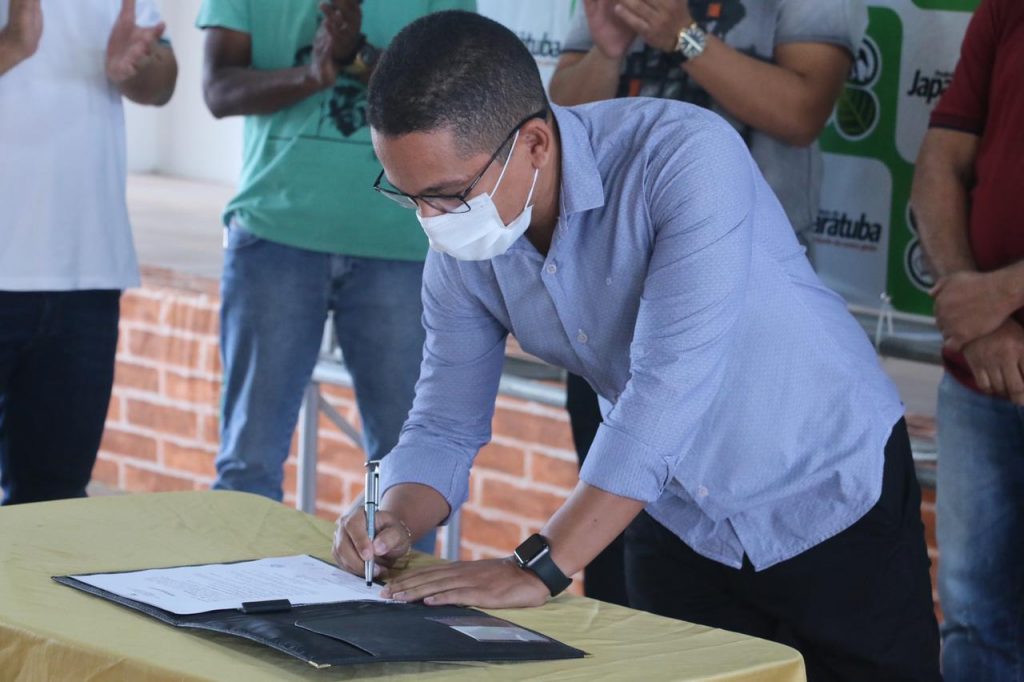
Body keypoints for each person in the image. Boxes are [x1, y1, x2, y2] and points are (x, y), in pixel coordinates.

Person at [332, 11, 941, 680]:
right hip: (675, 511)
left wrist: (535, 567)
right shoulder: (464, 247)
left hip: (826, 487)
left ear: (534, 143)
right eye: (409, 197)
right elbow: (444, 424)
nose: (431, 221)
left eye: (447, 194)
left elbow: (665, 388)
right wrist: (393, 518)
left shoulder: (683, 157)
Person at [548, 0, 864, 606]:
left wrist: (682, 36)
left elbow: (801, 112)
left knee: (748, 544)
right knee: (609, 528)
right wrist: (607, 51)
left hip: (749, 301)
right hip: (608, 289)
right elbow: (558, 125)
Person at [196, 0, 473, 552]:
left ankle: (398, 604)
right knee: (248, 461)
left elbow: (457, 97)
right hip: (275, 233)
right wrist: (312, 74)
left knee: (406, 471)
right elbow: (218, 90)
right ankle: (232, 596)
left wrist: (357, 56)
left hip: (398, 242)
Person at [0, 0, 177, 505]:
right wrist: (12, 46)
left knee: (56, 503)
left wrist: (138, 68)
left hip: (86, 274)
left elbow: (162, 82)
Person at [910, 0, 1024, 678]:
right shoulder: (1005, 12)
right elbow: (939, 165)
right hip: (979, 380)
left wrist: (1001, 294)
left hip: (987, 338)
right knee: (974, 620)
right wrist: (972, 310)